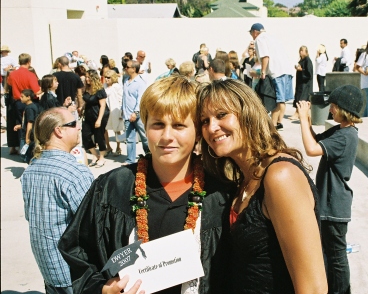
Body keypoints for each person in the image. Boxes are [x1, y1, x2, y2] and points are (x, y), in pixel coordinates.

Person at [58, 75, 233, 294]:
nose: (167, 136)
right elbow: (79, 251)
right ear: (145, 126)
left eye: (179, 125)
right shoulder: (114, 188)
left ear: (198, 132)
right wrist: (100, 289)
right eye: (158, 124)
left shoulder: (221, 195)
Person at [198, 79, 327, 294]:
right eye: (204, 121)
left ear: (248, 114)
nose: (212, 127)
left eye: (221, 115)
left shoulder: (280, 176)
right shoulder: (243, 178)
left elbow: (313, 288)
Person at [297, 84, 364, 294]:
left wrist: (301, 118)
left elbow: (311, 149)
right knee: (329, 253)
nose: (331, 110)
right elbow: (315, 140)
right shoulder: (342, 130)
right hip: (330, 204)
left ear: (344, 109)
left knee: (337, 257)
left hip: (334, 206)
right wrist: (307, 119)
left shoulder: (345, 137)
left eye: (334, 106)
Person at [21, 106, 94, 294]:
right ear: (58, 131)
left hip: (48, 266)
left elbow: (31, 216)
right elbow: (93, 226)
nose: (79, 127)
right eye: (74, 123)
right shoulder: (75, 172)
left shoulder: (31, 168)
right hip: (73, 272)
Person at [250, 23, 294, 131]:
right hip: (286, 71)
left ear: (255, 32)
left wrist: (263, 72)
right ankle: (278, 123)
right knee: (281, 100)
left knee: (275, 99)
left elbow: (265, 56)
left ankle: (273, 125)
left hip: (276, 72)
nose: (251, 35)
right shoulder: (272, 38)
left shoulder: (259, 39)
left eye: (251, 33)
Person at [6, 53, 41, 155]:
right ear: (29, 62)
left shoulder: (12, 74)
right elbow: (36, 90)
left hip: (18, 102)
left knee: (20, 125)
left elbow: (9, 84)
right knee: (30, 125)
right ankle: (29, 150)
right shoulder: (30, 75)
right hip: (30, 102)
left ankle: (22, 149)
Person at [122, 59, 149, 164]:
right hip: (127, 115)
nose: (125, 68)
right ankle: (130, 160)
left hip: (137, 115)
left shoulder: (140, 82)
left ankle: (149, 156)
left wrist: (136, 112)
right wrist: (122, 111)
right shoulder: (126, 81)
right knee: (129, 139)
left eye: (127, 67)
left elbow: (140, 99)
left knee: (144, 137)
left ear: (134, 69)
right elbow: (125, 97)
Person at [81, 70, 110, 167]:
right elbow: (87, 100)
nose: (87, 79)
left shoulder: (100, 90)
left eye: (89, 77)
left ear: (94, 78)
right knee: (85, 135)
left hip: (99, 115)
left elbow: (103, 106)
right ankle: (95, 155)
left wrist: (99, 120)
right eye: (86, 77)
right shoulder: (87, 88)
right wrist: (81, 108)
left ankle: (102, 157)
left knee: (99, 136)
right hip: (88, 115)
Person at [13, 89, 38, 163]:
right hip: (27, 134)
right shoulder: (29, 107)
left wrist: (27, 138)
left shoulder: (30, 108)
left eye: (22, 96)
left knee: (25, 155)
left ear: (28, 97)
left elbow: (30, 123)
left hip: (27, 135)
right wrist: (20, 126)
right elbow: (27, 122)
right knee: (25, 154)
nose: (20, 98)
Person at [290, 46, 313, 121]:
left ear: (306, 51)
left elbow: (309, 73)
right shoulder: (302, 60)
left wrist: (301, 70)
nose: (300, 52)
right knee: (299, 97)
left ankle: (297, 113)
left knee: (302, 98)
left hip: (305, 84)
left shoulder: (307, 60)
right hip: (300, 83)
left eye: (302, 51)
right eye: (300, 50)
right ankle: (303, 114)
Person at [104, 69, 124, 156]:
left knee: (117, 130)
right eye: (105, 77)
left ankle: (118, 147)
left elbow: (121, 99)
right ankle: (108, 147)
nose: (106, 79)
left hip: (115, 110)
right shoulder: (104, 86)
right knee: (104, 129)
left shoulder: (117, 86)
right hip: (106, 110)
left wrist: (121, 112)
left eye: (108, 77)